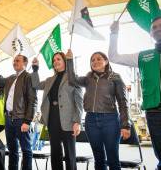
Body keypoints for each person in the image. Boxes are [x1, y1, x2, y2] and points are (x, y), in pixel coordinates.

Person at [109, 19, 161, 170]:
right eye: (154, 27)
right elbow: (113, 57)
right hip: (154, 113)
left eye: (160, 26)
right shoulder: (143, 56)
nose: (157, 29)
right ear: (150, 33)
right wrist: (114, 33)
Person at [68, 49, 131, 170]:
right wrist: (69, 60)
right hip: (90, 120)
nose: (95, 61)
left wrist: (125, 125)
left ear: (106, 61)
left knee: (112, 158)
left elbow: (123, 103)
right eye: (92, 60)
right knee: (98, 158)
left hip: (110, 120)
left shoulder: (115, 77)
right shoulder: (88, 77)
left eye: (99, 59)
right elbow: (72, 80)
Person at [0, 54, 37, 170]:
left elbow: (33, 101)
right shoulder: (10, 78)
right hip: (8, 119)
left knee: (26, 150)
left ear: (25, 64)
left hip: (21, 119)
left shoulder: (29, 77)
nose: (14, 62)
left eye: (17, 60)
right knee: (12, 150)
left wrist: (27, 121)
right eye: (14, 61)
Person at [31, 51, 83, 170]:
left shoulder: (73, 78)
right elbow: (36, 85)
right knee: (55, 154)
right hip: (52, 119)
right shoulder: (50, 79)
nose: (55, 62)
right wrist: (35, 69)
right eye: (54, 60)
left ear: (65, 61)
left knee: (70, 155)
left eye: (58, 59)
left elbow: (79, 102)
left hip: (69, 120)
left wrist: (77, 121)